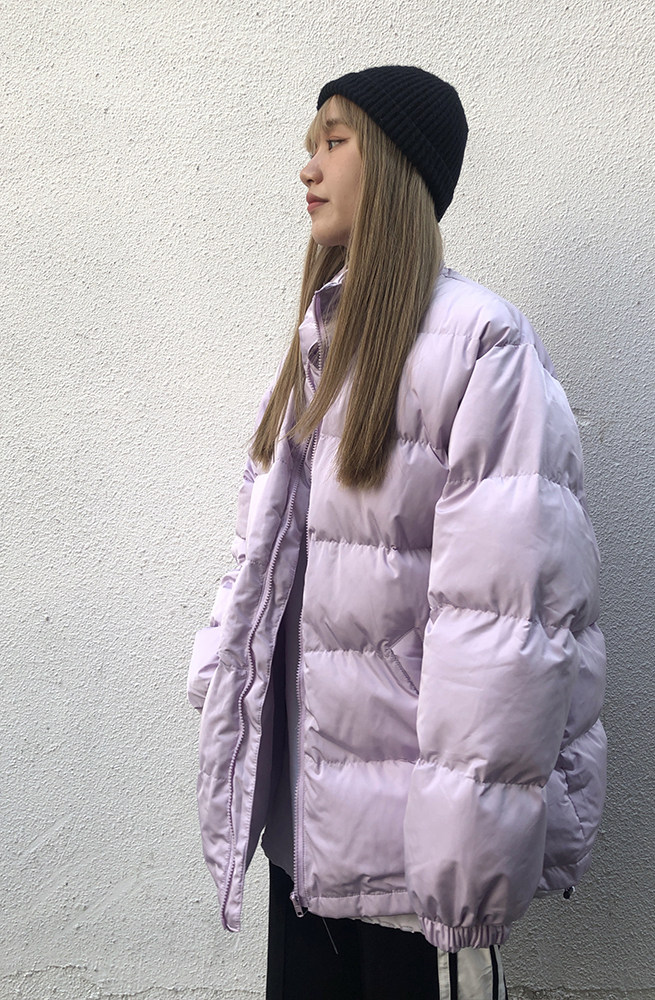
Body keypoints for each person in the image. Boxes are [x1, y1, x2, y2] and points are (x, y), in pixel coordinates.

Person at [188, 65, 606, 1000]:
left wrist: (462, 884)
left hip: (418, 880)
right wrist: (219, 686)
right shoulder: (320, 345)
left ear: (393, 165)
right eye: (310, 146)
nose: (309, 167)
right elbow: (261, 568)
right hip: (308, 846)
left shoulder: (481, 344)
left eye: (334, 142)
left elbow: (500, 632)